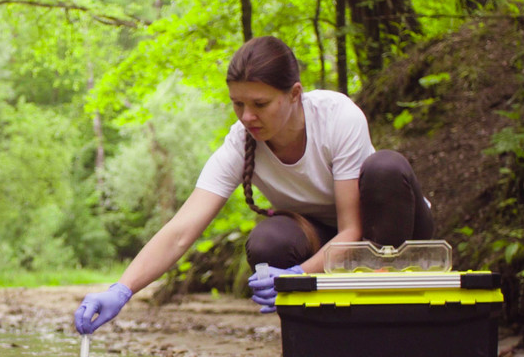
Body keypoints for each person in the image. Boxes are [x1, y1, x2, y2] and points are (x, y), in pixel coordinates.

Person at [73, 35, 433, 334]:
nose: (248, 116)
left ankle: (395, 324)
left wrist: (296, 276)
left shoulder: (337, 117)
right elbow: (181, 230)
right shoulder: (240, 142)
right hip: (323, 237)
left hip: (387, 231)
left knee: (386, 167)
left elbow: (353, 231)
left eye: (260, 103)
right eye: (238, 104)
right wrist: (122, 289)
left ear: (294, 95)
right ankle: (321, 338)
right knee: (268, 241)